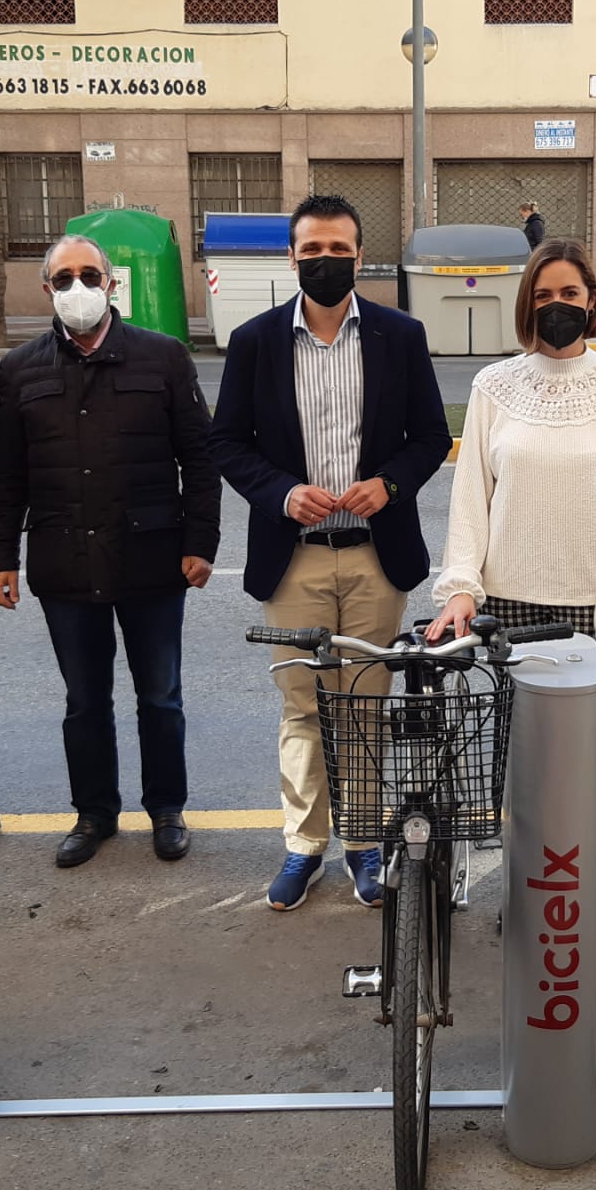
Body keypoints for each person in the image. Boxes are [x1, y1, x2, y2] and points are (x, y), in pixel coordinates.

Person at [208, 193, 451, 912]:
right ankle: (303, 847)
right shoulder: (254, 342)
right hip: (294, 558)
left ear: (357, 254)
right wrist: (281, 493)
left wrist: (391, 483)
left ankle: (366, 846)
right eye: (310, 250)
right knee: (302, 710)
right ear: (292, 257)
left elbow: (431, 437)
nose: (324, 261)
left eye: (337, 250)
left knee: (365, 710)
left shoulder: (399, 336)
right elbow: (227, 442)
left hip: (376, 556)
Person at [0, 236, 220, 870]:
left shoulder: (163, 357)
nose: (77, 287)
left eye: (89, 275)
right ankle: (94, 813)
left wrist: (202, 543)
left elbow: (199, 459)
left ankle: (167, 808)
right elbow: (8, 475)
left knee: (160, 697)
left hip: (152, 558)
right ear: (47, 289)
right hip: (64, 561)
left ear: (111, 283)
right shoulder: (21, 368)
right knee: (84, 701)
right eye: (64, 278)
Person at [426, 238, 596, 675]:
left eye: (569, 294)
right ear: (527, 304)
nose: (557, 306)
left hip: (589, 608)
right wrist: (460, 588)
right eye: (543, 295)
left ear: (591, 302)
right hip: (502, 605)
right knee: (510, 741)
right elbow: (471, 499)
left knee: (580, 743)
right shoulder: (493, 385)